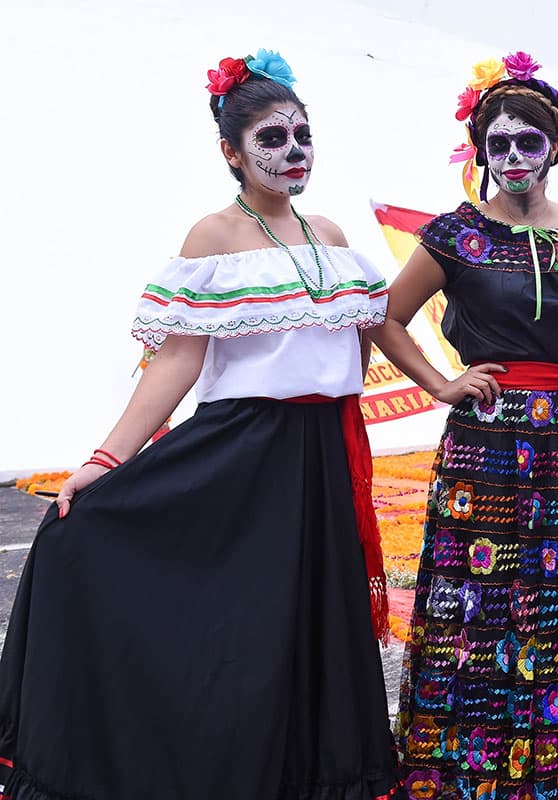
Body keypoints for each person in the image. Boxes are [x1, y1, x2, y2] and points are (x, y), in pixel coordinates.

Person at [0, 50, 400, 798]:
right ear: (231, 152)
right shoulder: (211, 237)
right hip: (242, 454)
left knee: (304, 629)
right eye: (271, 140)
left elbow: (380, 328)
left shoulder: (331, 231)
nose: (293, 154)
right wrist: (106, 459)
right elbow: (179, 363)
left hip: (319, 457)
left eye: (302, 136)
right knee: (235, 631)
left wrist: (444, 384)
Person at [370, 53, 558, 799]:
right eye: (499, 145)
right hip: (486, 446)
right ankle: (468, 775)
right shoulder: (454, 233)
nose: (513, 157)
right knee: (480, 605)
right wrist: (444, 385)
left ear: (555, 148)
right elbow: (386, 318)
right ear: (481, 152)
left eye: (529, 143)